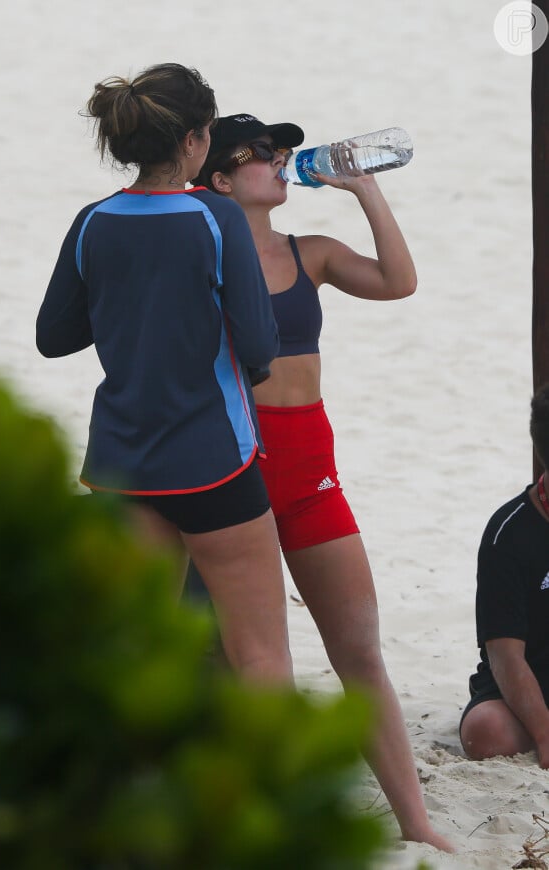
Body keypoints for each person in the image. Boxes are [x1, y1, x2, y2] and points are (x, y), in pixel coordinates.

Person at [187, 113, 454, 852]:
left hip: (310, 468)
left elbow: (399, 282)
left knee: (360, 648)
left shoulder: (312, 253)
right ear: (217, 179)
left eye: (280, 150)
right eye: (259, 154)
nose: (279, 160)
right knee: (240, 658)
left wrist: (364, 189)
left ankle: (416, 823)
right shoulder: (202, 256)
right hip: (233, 466)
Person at [36, 68, 293, 684]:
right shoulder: (216, 217)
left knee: (140, 656)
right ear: (192, 142)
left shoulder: (93, 220)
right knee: (261, 657)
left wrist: (134, 305)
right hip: (213, 460)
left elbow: (54, 338)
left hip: (121, 462)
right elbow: (260, 344)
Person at [460, 383, 549, 767]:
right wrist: (545, 737)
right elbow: (505, 656)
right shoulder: (508, 533)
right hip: (526, 683)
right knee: (485, 731)